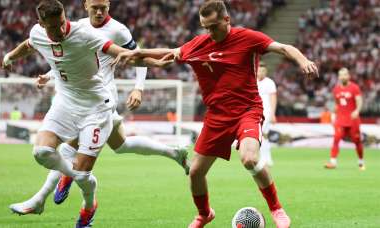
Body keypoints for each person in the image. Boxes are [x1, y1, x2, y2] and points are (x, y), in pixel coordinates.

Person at [113, 1, 319, 228]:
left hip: (247, 111)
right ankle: (204, 214)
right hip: (216, 116)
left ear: (227, 20)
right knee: (195, 172)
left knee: (249, 158)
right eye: (205, 27)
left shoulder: (248, 38)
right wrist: (137, 53)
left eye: (213, 26)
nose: (209, 32)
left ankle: (276, 208)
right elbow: (165, 57)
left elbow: (284, 48)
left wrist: (303, 60)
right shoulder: (198, 44)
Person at [8, 0, 189, 218]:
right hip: (72, 97)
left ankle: (51, 193)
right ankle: (175, 152)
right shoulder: (77, 26)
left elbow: (134, 55)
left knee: (69, 151)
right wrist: (47, 74)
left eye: (103, 7)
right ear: (86, 5)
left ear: (109, 5)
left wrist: (139, 87)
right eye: (95, 7)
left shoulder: (115, 30)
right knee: (121, 145)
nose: (99, 11)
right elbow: (64, 58)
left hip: (100, 100)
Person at [325, 68, 365, 170]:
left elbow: (359, 100)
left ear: (349, 76)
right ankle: (333, 162)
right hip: (341, 119)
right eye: (341, 75)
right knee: (336, 139)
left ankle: (361, 160)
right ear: (339, 77)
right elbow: (337, 104)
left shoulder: (354, 88)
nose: (343, 77)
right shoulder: (336, 89)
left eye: (345, 74)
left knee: (357, 141)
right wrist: (333, 116)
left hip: (352, 119)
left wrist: (357, 110)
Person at [257, 61, 277, 166]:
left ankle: (264, 159)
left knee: (263, 135)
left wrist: (273, 114)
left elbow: (273, 99)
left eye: (264, 70)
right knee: (261, 135)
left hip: (266, 112)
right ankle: (266, 158)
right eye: (260, 70)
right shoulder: (252, 81)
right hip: (255, 112)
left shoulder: (270, 82)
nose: (262, 72)